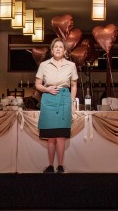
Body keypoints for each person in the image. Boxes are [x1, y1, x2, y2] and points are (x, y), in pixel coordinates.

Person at [34, 38, 78, 173]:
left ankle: (60, 165)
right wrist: (47, 89)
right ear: (52, 50)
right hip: (48, 99)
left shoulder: (71, 65)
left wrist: (72, 103)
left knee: (60, 135)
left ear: (64, 51)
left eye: (60, 47)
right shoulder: (44, 65)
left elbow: (74, 85)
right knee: (51, 136)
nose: (58, 49)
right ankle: (50, 165)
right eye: (55, 47)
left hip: (64, 99)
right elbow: (38, 84)